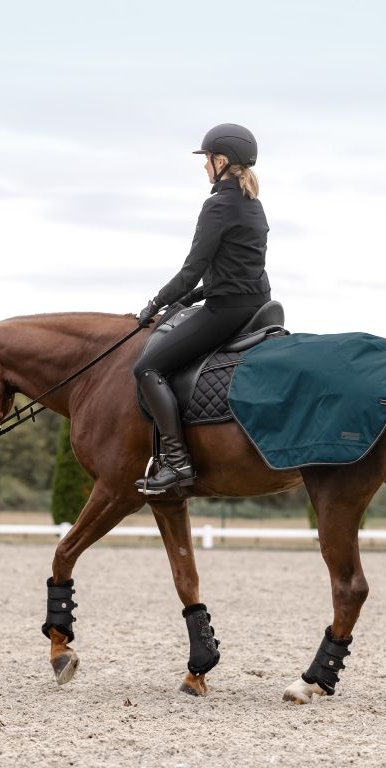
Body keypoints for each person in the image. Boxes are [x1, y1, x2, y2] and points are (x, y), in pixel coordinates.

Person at [133, 123, 271, 493]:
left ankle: (177, 464)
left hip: (227, 311)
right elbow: (231, 271)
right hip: (258, 305)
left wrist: (155, 303)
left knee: (147, 367)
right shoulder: (252, 204)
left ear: (221, 161)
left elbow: (192, 270)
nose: (204, 167)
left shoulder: (217, 205)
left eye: (207, 160)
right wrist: (187, 300)